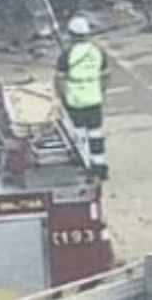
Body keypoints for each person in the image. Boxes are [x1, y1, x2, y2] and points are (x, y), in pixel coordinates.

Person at [55, 15, 109, 180]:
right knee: (96, 133)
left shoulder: (67, 54)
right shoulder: (98, 52)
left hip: (74, 100)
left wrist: (61, 98)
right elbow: (106, 76)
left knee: (79, 135)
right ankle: (100, 165)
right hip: (94, 98)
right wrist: (100, 92)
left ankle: (85, 167)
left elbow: (60, 80)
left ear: (71, 35)